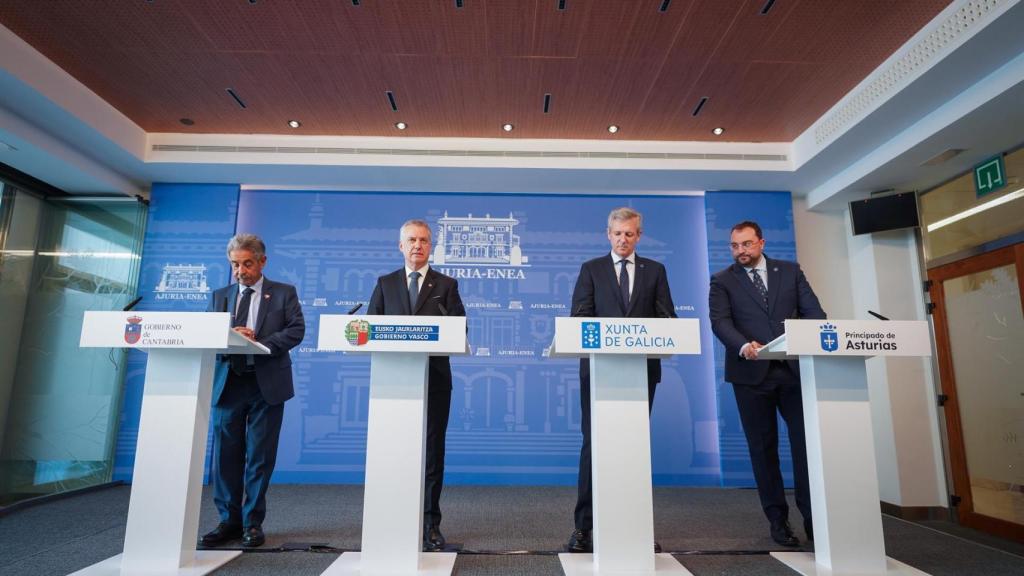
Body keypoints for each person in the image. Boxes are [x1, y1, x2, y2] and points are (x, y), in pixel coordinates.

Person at [708, 220, 825, 547]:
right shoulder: (721, 280)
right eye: (734, 246)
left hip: (793, 372)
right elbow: (720, 322)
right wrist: (744, 346)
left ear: (761, 242)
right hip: (750, 374)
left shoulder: (790, 271)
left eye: (745, 244)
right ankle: (778, 520)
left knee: (806, 448)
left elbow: (815, 314)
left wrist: (806, 338)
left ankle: (815, 519)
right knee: (763, 450)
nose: (739, 251)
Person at [567, 207, 676, 553]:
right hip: (599, 372)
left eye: (630, 234)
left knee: (634, 448)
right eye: (617, 233)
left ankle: (636, 526)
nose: (623, 239)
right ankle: (584, 529)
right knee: (593, 446)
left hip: (641, 372)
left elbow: (667, 318)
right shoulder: (591, 270)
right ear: (608, 234)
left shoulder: (655, 271)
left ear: (639, 236)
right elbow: (580, 317)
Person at [199, 233, 305, 548]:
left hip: (266, 385)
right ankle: (227, 522)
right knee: (225, 458)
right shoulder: (220, 296)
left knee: (259, 458)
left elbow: (296, 330)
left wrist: (258, 344)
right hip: (228, 384)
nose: (240, 271)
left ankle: (252, 524)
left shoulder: (284, 293)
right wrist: (228, 334)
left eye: (246, 263)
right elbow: (205, 333)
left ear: (262, 262)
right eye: (234, 264)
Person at [367, 218, 466, 551]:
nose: (417, 245)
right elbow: (369, 330)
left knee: (432, 454)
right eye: (411, 240)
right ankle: (392, 519)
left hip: (434, 380)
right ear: (400, 245)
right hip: (393, 383)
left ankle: (429, 524)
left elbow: (460, 330)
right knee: (394, 450)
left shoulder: (447, 286)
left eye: (424, 240)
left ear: (431, 245)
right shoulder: (385, 284)